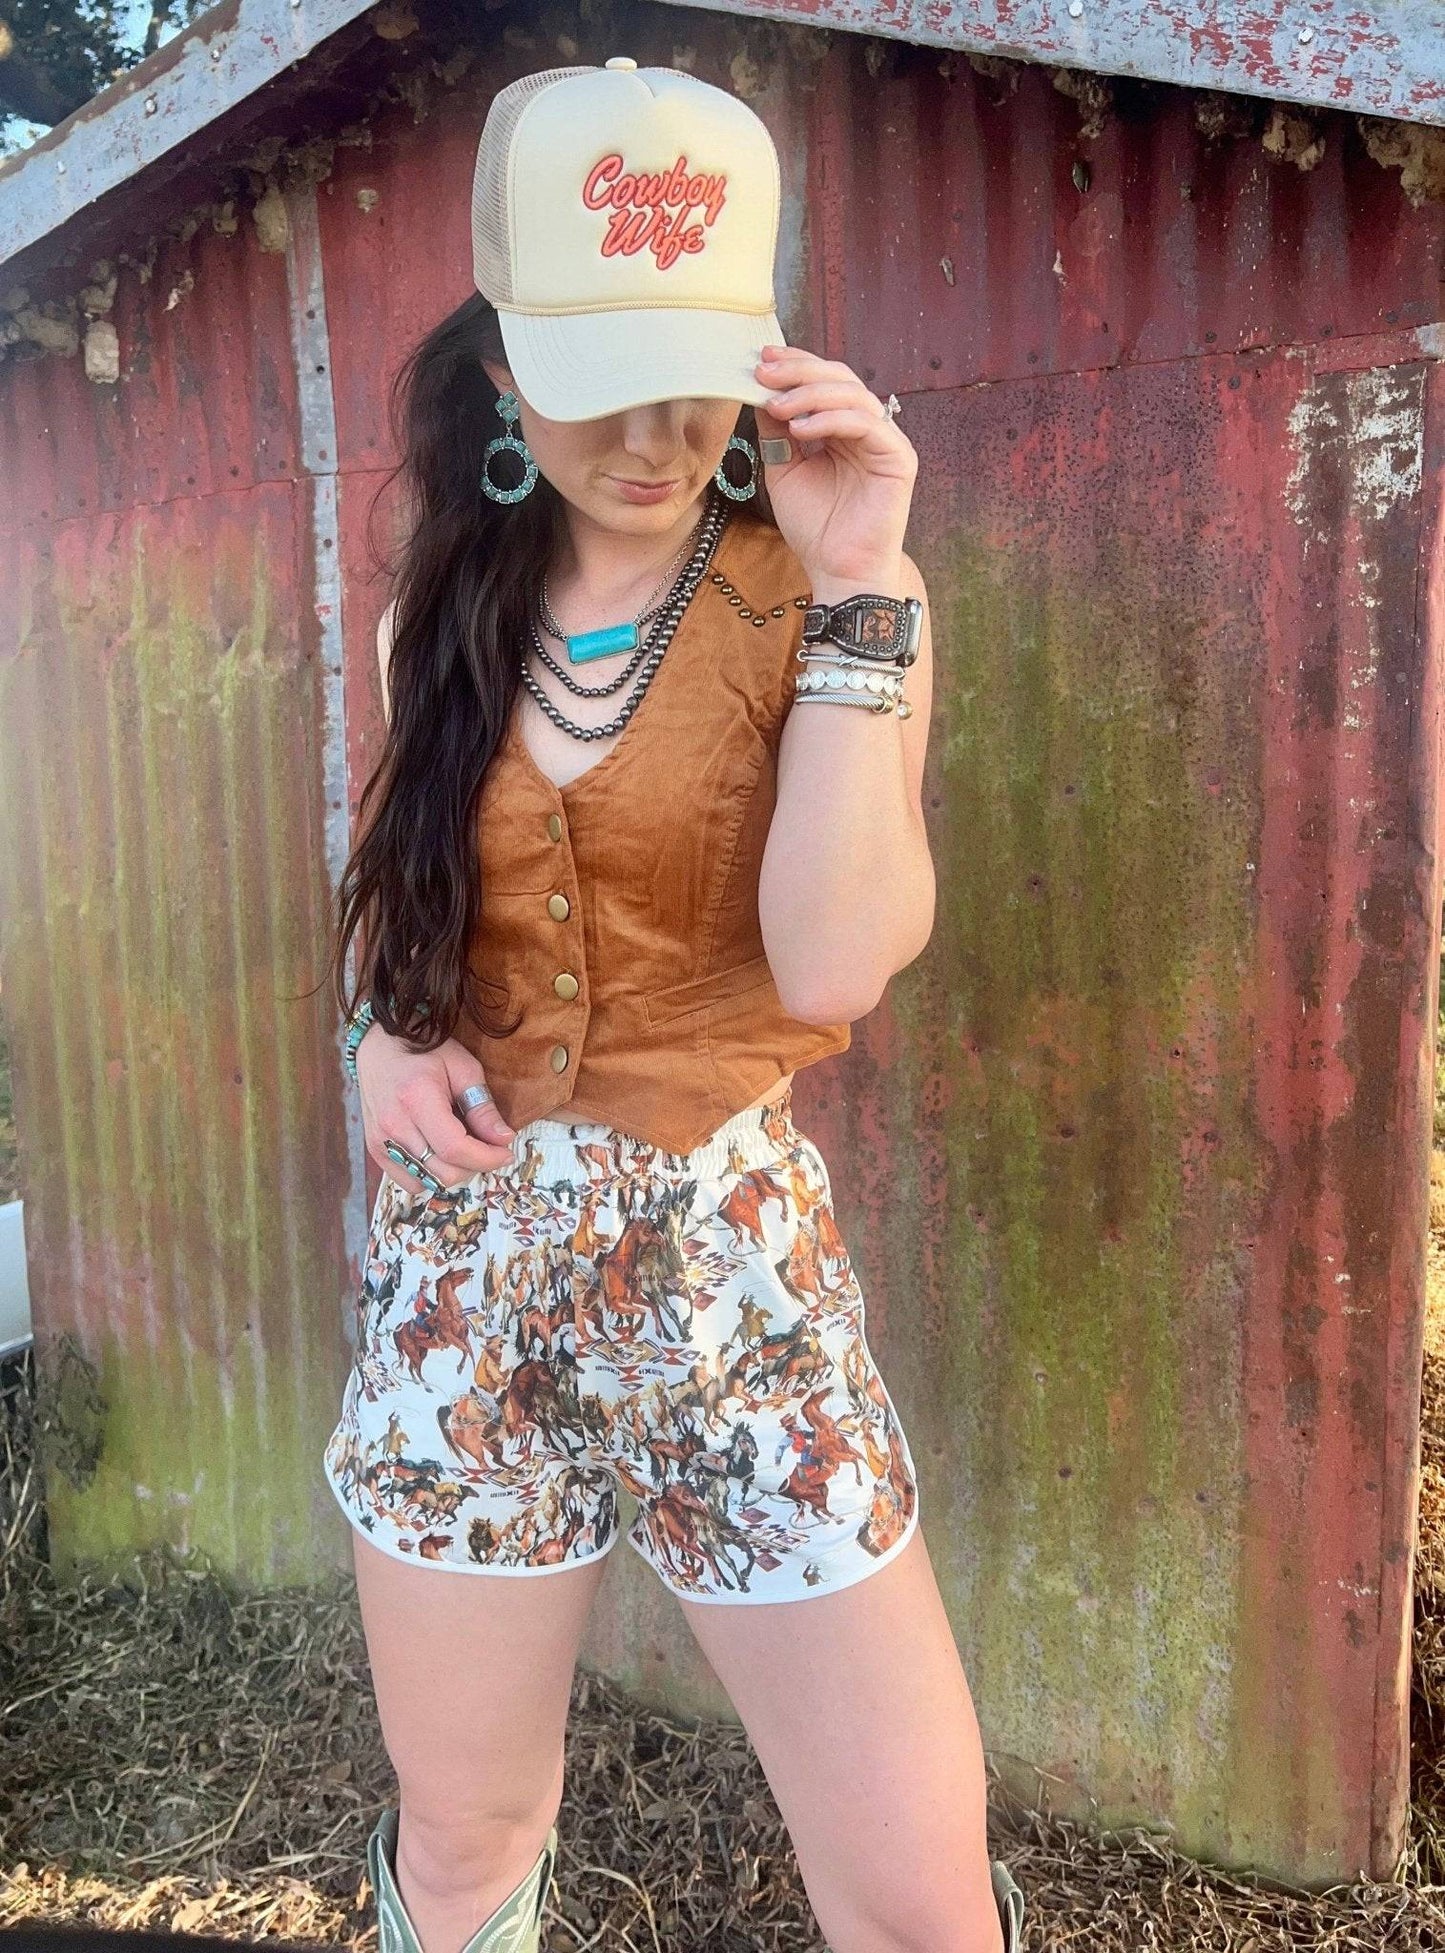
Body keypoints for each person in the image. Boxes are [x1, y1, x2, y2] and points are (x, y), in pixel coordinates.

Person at [322, 57, 1026, 1953]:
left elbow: (833, 960)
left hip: (731, 1284)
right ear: (499, 366)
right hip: (464, 1291)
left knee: (915, 1896)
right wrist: (385, 1037)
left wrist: (861, 577)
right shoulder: (430, 616)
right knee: (463, 1843)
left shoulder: (834, 598)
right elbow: (409, 921)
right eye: (594, 370)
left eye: (691, 369)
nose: (650, 431)